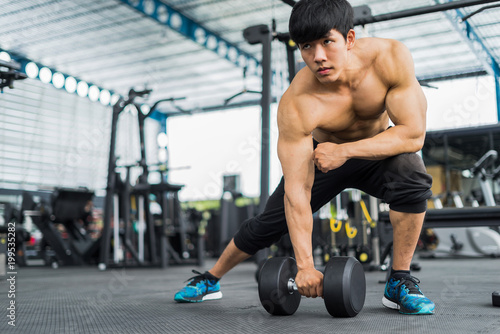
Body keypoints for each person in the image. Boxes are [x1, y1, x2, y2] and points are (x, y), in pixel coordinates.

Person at [174, 0, 435, 315]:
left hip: (373, 150)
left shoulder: (390, 58)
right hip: (322, 158)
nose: (318, 57)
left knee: (412, 177)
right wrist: (306, 266)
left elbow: (412, 134)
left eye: (327, 42)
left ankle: (399, 280)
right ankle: (210, 278)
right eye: (307, 47)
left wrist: (344, 151)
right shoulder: (298, 101)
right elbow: (297, 192)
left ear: (349, 39)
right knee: (266, 225)